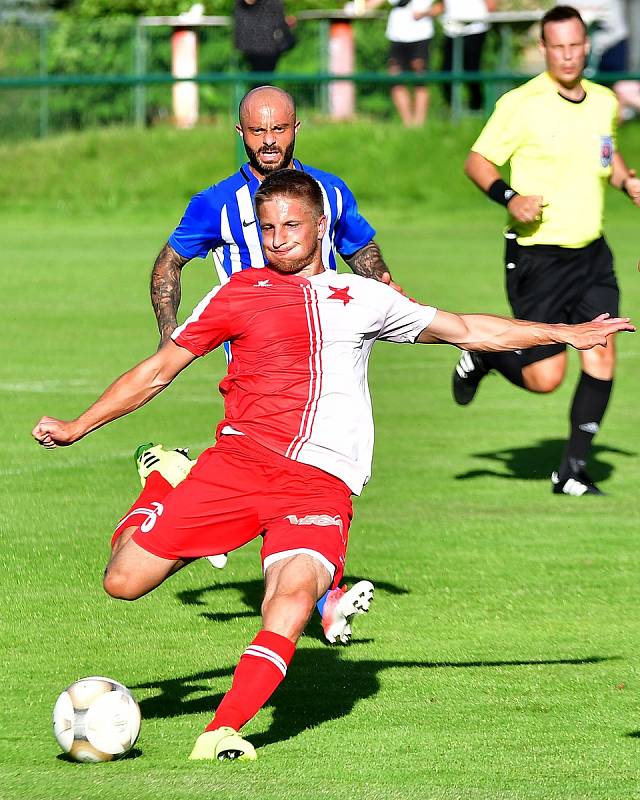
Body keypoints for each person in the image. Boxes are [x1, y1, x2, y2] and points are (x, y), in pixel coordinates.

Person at [32, 169, 632, 760]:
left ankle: (223, 730)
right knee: (123, 582)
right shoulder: (237, 293)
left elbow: (469, 328)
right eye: (267, 228)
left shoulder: (363, 297)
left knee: (292, 598)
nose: (278, 238)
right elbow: (159, 369)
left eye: (292, 225)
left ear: (322, 227)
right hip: (238, 465)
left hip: (319, 485)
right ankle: (165, 476)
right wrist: (79, 425)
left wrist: (564, 332)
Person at [150, 84, 394, 637]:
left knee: (315, 479)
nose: (268, 141)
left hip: (325, 361)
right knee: (285, 480)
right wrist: (172, 340)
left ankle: (314, 596)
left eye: (278, 129)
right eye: (256, 131)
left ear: (296, 129)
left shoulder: (328, 192)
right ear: (240, 133)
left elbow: (363, 251)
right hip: (258, 379)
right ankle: (312, 595)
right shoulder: (215, 203)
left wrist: (387, 293)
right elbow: (168, 265)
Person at [451, 4, 640, 496]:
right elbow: (478, 161)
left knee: (602, 351)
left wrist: (626, 179)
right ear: (544, 49)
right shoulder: (522, 103)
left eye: (575, 45)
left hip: (592, 253)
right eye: (557, 47)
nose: (568, 55)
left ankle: (571, 472)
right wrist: (510, 198)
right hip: (539, 257)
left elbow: (604, 152)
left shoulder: (603, 101)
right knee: (546, 377)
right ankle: (485, 356)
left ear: (586, 45)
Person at [364, 0, 440, 127]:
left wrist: (426, 13)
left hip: (421, 35)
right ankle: (408, 124)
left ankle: (419, 125)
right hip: (397, 36)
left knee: (420, 79)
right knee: (396, 78)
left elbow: (443, 5)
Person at [437, 0, 497, 112]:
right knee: (446, 70)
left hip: (475, 29)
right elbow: (443, 5)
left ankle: (476, 105)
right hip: (451, 30)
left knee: (472, 68)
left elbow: (491, 5)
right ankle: (451, 106)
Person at [233, 0, 295, 76]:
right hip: (258, 45)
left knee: (265, 78)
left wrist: (284, 22)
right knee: (260, 79)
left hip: (271, 45)